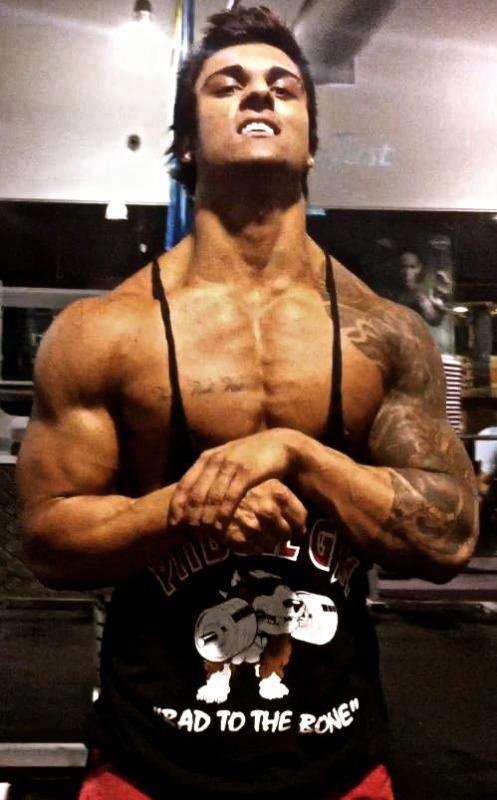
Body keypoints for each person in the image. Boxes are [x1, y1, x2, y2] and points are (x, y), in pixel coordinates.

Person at [16, 6, 478, 799]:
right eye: (228, 84)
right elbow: (48, 538)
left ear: (311, 143)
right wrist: (190, 506)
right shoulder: (105, 331)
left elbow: (450, 532)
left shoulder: (383, 333)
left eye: (283, 87)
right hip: (147, 764)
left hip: (336, 766)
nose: (259, 95)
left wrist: (297, 454)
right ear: (185, 144)